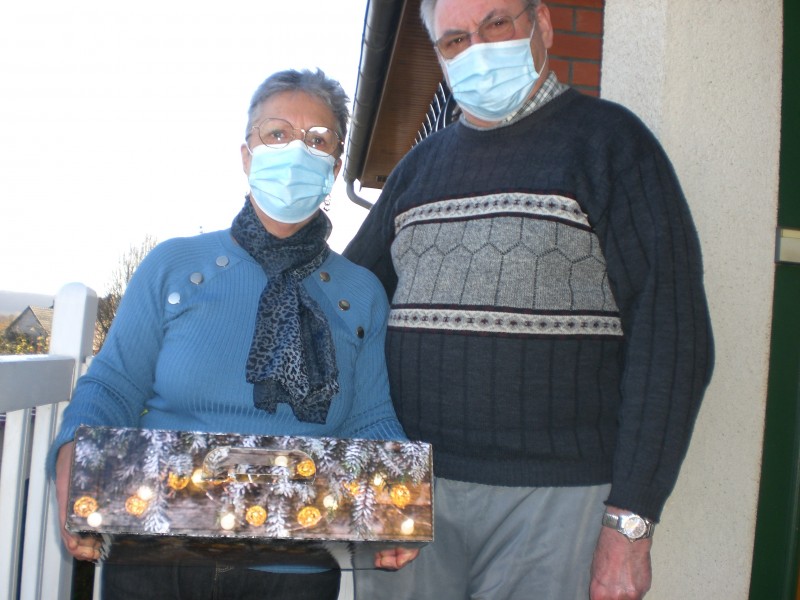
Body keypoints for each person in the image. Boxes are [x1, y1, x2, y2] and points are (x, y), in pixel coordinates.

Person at [343, 1, 714, 599]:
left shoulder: (610, 144)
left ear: (541, 23)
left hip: (554, 503)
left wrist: (632, 520)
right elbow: (342, 306)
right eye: (455, 40)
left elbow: (672, 334)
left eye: (496, 23)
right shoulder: (416, 171)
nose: (478, 49)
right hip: (409, 495)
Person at [49, 68, 416, 600]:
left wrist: (403, 498)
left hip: (293, 571)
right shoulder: (173, 267)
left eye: (317, 140)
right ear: (247, 155)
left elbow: (371, 418)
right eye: (277, 133)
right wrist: (71, 454)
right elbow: (113, 385)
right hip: (155, 557)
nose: (297, 151)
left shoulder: (360, 293)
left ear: (335, 167)